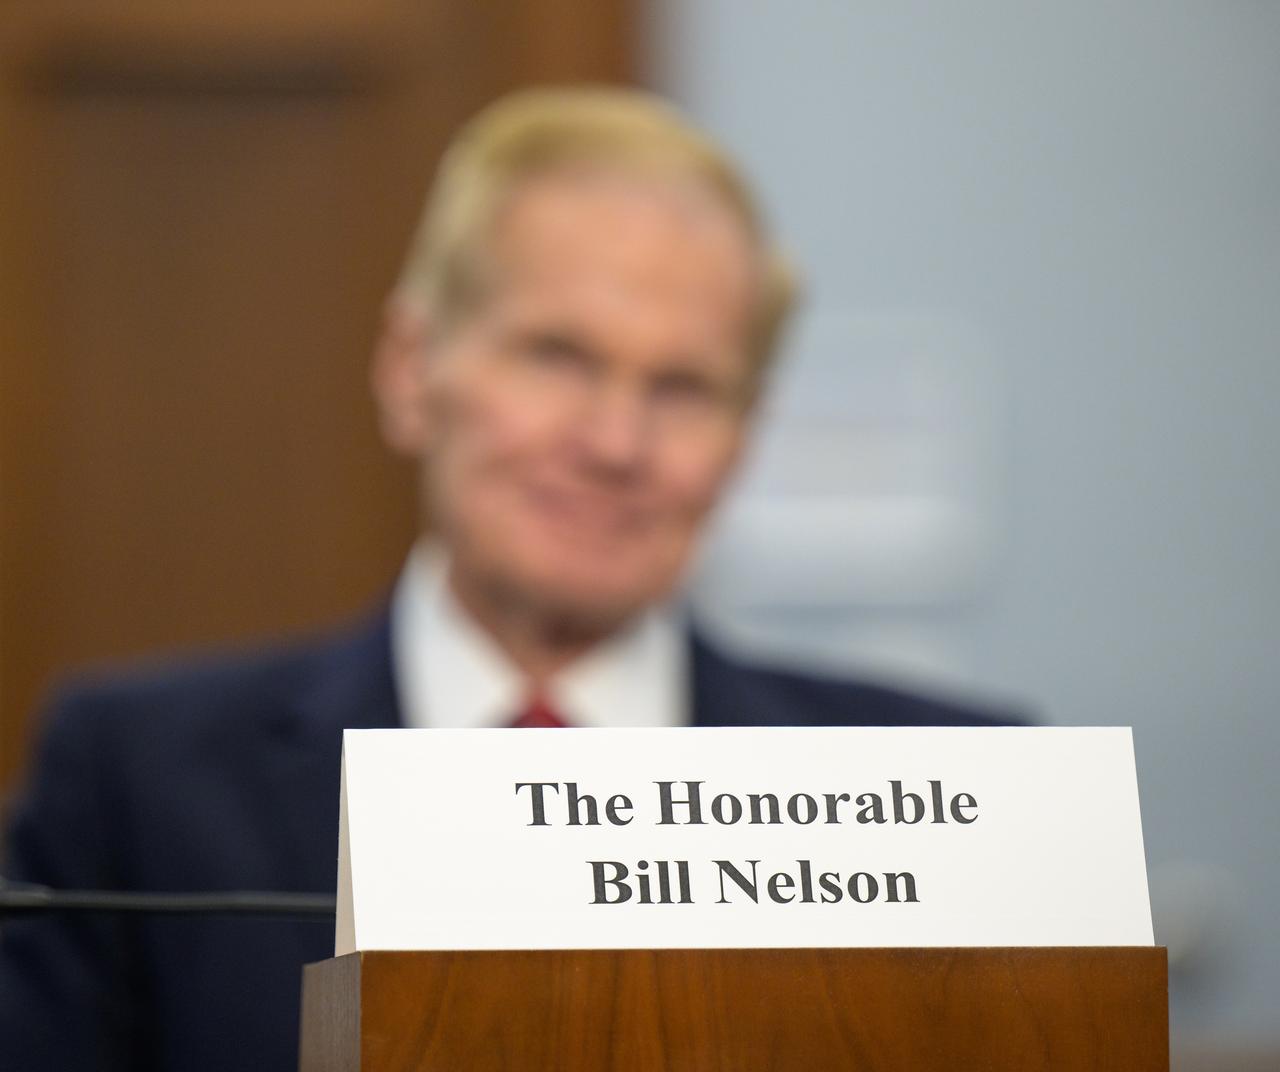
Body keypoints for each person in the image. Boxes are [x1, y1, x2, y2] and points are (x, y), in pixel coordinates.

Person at [0, 87, 1013, 1071]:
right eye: (555, 356)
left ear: (742, 438)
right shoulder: (137, 787)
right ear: (410, 369)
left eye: (682, 386)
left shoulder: (947, 790)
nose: (615, 442)